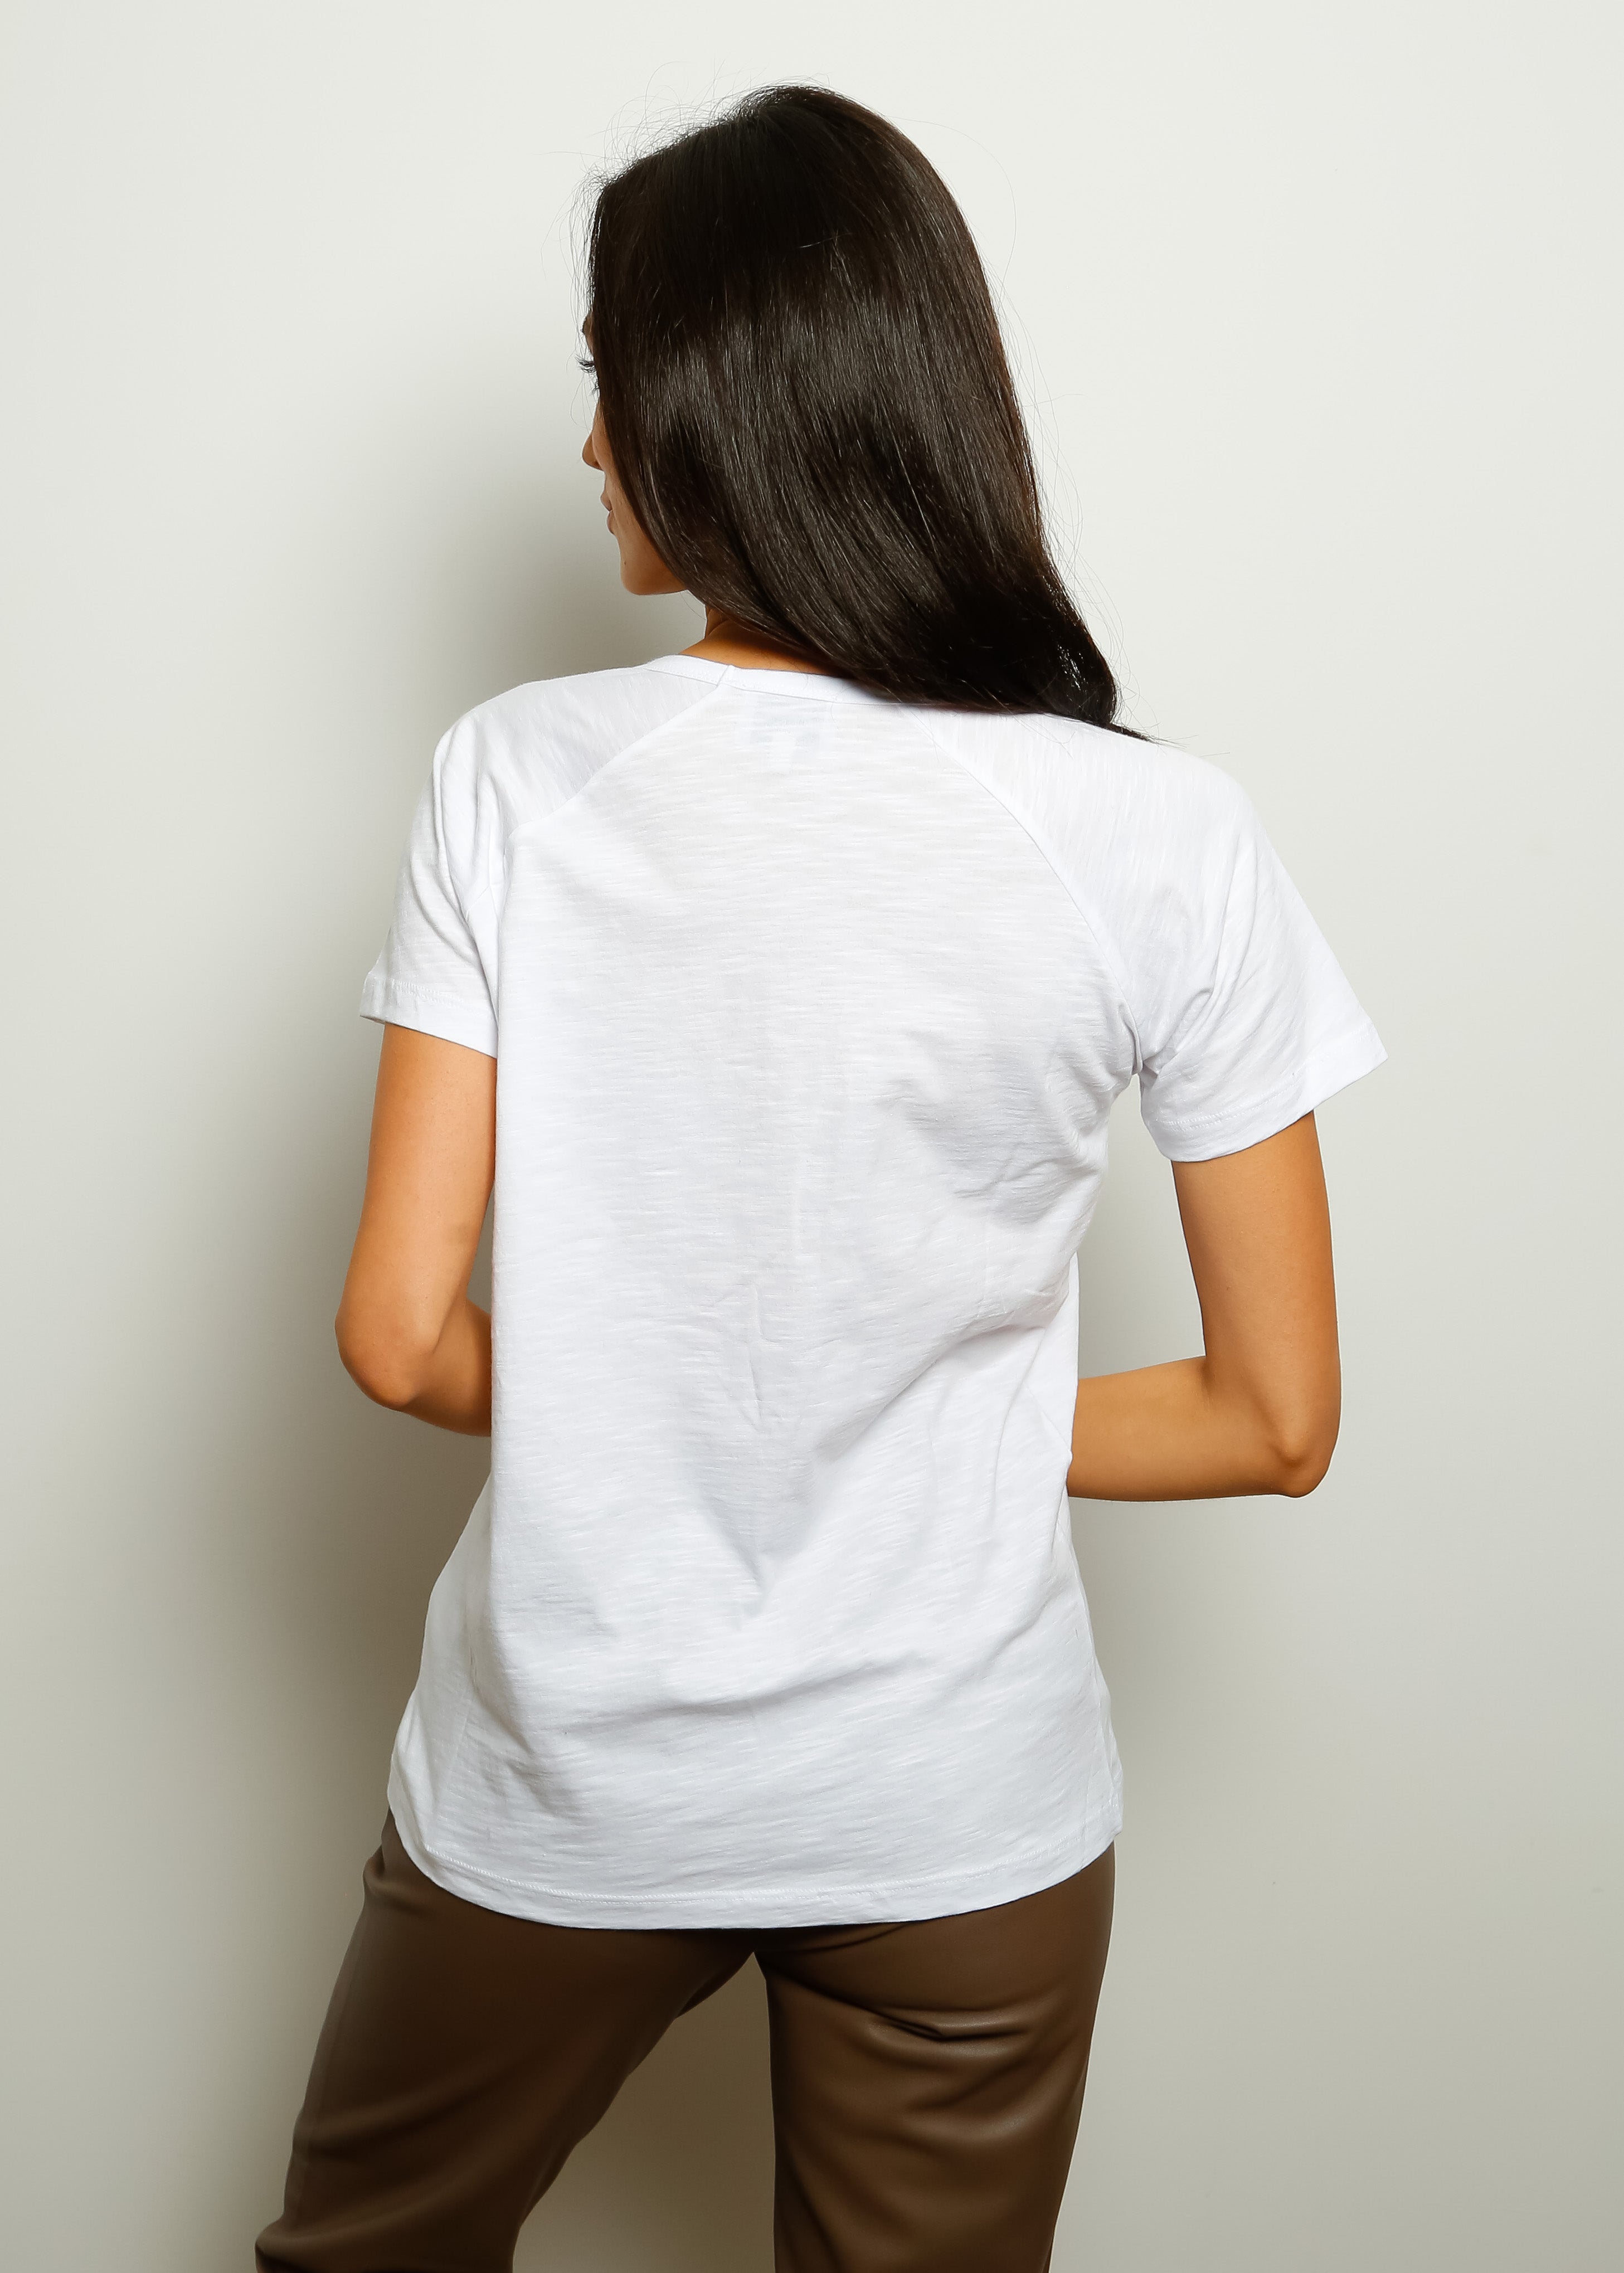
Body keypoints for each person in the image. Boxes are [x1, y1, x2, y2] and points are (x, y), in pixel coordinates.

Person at [256, 84, 1384, 2273]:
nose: (592, 445)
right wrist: (901, 1426)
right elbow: (1277, 1415)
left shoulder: (519, 779)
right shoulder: (1161, 835)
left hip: (568, 1791)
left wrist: (678, 1399)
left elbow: (396, 1336)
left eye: (613, 380)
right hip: (969, 1813)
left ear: (720, 402)